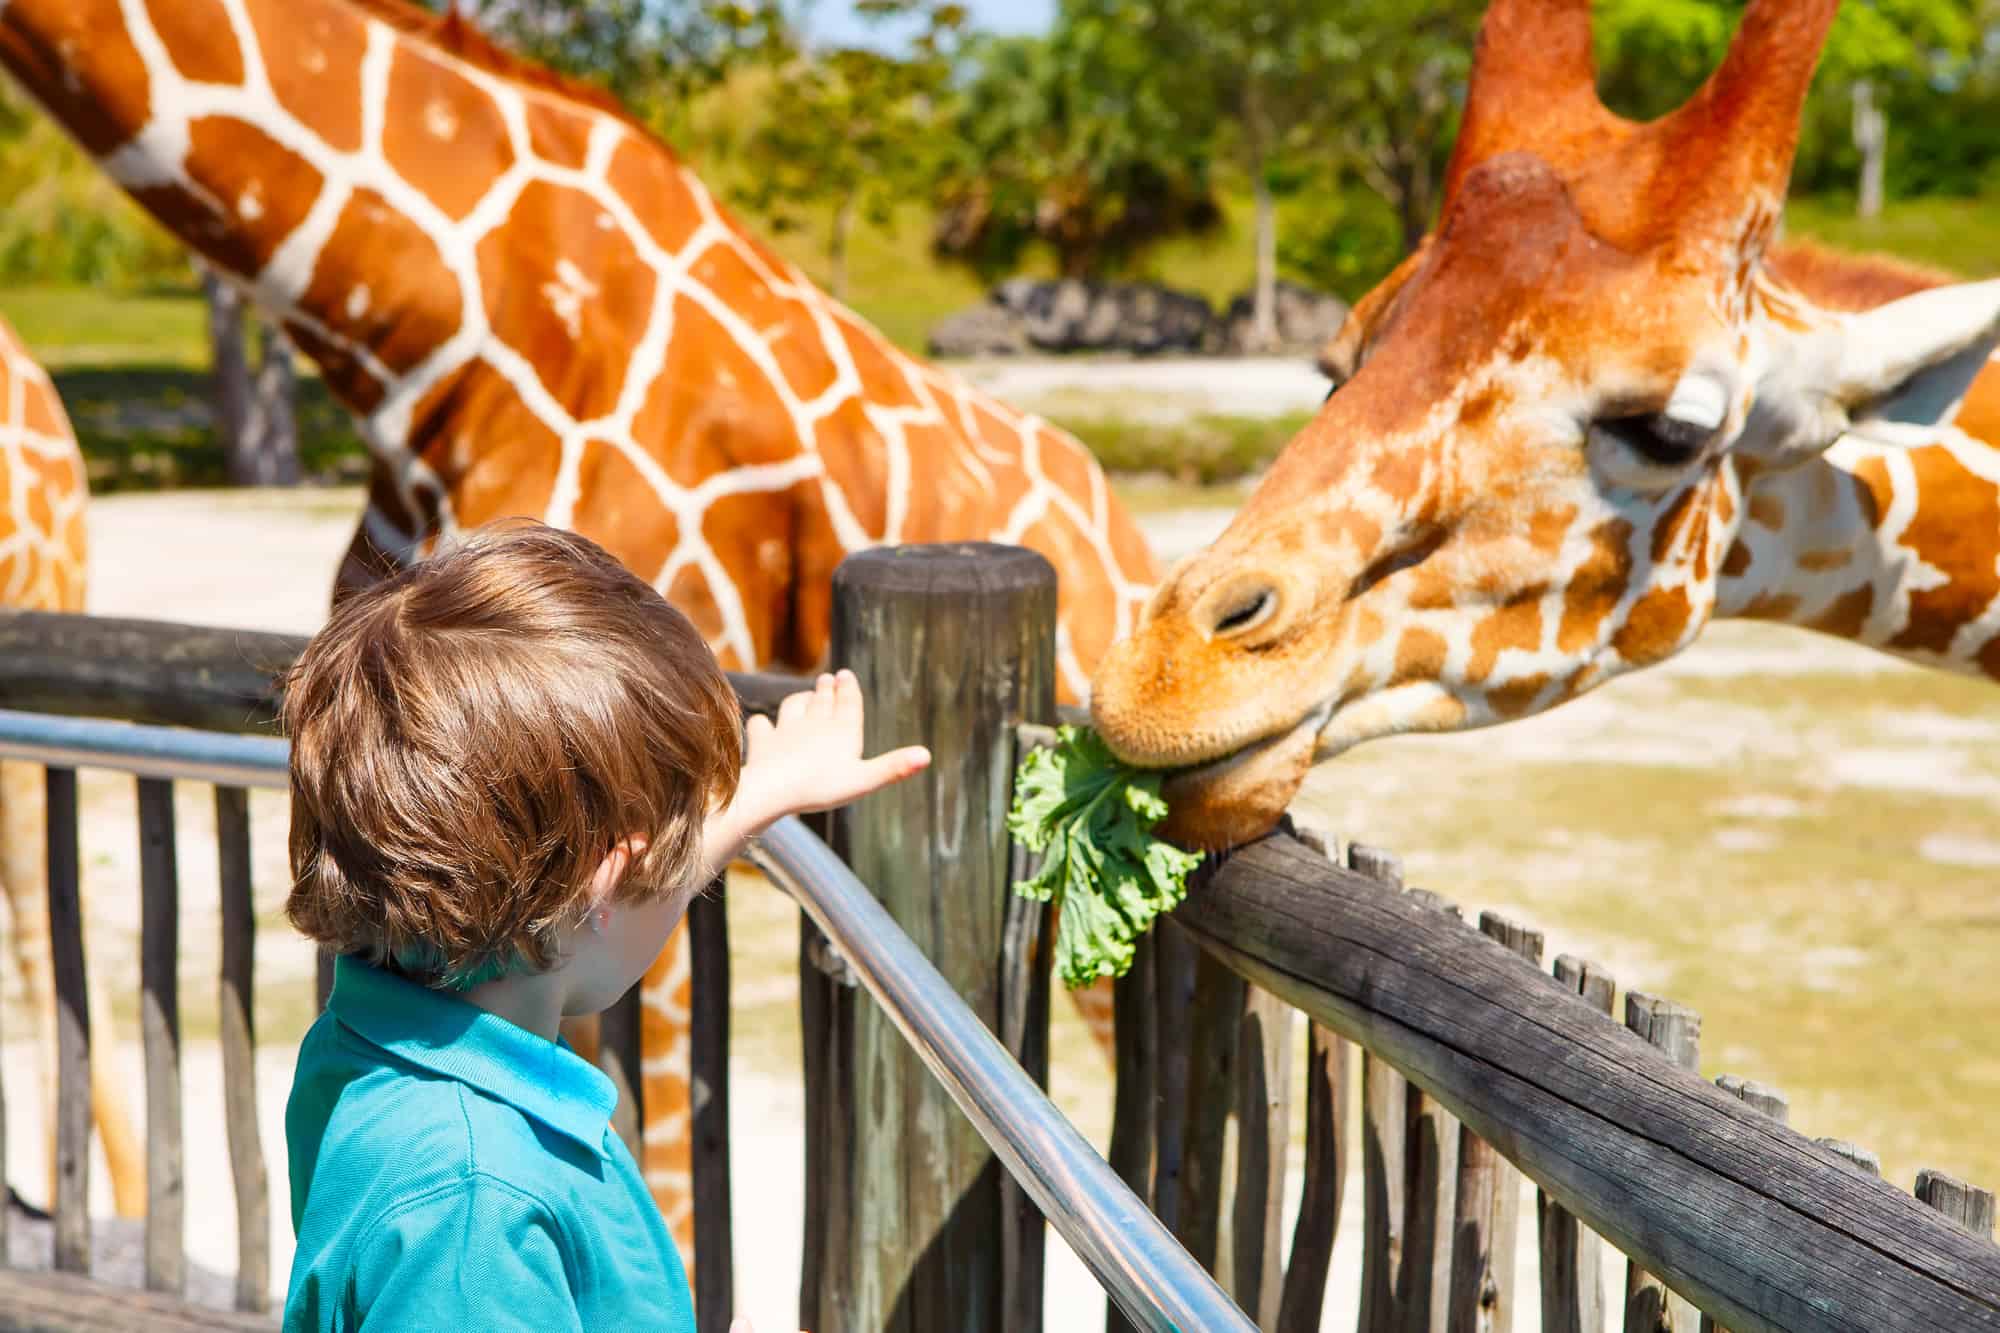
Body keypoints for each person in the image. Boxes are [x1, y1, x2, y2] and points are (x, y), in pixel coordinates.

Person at [279, 521, 928, 1332]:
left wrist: (759, 795)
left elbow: (619, 888)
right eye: (680, 844)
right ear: (606, 884)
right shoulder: (476, 1212)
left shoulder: (368, 1046)